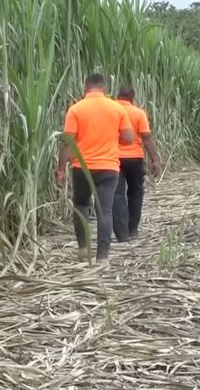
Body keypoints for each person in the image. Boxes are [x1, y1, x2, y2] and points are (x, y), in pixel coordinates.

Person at [56, 74, 134, 263]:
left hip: (81, 167)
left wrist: (61, 169)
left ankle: (83, 249)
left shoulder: (75, 109)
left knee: (81, 205)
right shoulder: (117, 108)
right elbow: (129, 138)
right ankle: (102, 256)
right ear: (104, 89)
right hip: (108, 167)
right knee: (104, 211)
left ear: (85, 89)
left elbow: (67, 142)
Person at [113, 84, 161, 240]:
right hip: (135, 159)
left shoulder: (110, 111)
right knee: (136, 192)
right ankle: (132, 229)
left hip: (114, 158)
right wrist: (155, 159)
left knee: (117, 194)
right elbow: (146, 138)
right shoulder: (139, 113)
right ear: (132, 98)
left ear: (117, 96)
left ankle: (121, 233)